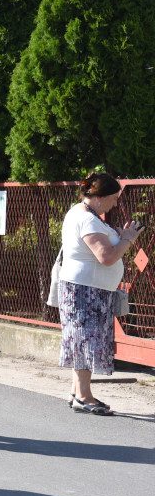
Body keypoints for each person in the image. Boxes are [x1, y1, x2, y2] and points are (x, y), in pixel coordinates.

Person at [57, 173, 141, 416]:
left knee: (81, 340)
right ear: (100, 197)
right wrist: (127, 239)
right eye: (114, 198)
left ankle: (77, 393)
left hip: (85, 289)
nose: (115, 203)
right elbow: (106, 257)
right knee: (86, 341)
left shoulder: (83, 213)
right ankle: (83, 397)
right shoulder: (88, 220)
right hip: (86, 292)